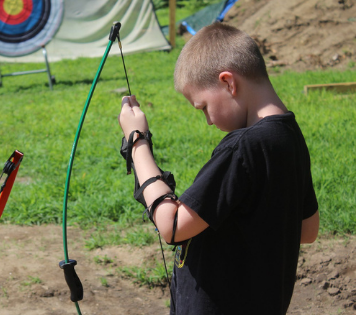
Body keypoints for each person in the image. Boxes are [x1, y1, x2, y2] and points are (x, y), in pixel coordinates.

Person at [118, 23, 319, 314]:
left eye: (203, 107)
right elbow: (308, 229)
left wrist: (138, 142)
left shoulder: (243, 147)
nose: (209, 121)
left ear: (228, 82)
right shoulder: (289, 136)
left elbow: (173, 227)